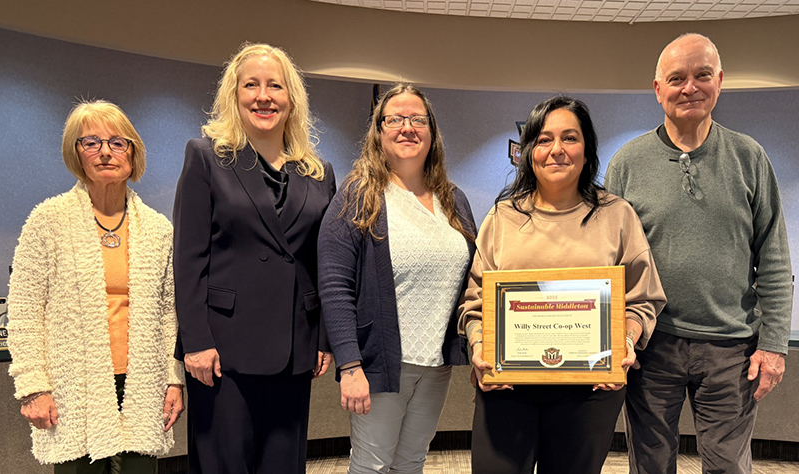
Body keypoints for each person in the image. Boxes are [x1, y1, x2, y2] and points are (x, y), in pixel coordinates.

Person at [605, 33, 793, 474]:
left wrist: (774, 345)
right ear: (657, 89)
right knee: (650, 465)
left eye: (702, 75)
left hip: (732, 349)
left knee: (728, 466)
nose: (690, 87)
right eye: (677, 78)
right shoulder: (626, 164)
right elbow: (607, 261)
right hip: (652, 345)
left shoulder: (749, 157)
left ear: (720, 81)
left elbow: (774, 258)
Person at [460, 96, 667, 474]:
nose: (556, 150)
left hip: (590, 394)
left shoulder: (616, 215)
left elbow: (642, 298)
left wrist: (624, 341)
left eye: (569, 138)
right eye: (543, 139)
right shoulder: (503, 216)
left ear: (586, 150)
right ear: (528, 152)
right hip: (506, 390)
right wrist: (477, 345)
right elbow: (475, 303)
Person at [173, 43, 336, 474]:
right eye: (252, 85)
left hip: (293, 347)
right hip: (223, 351)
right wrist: (196, 342)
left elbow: (324, 263)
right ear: (235, 95)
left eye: (275, 86)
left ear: (291, 98)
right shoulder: (207, 157)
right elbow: (188, 259)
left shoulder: (318, 172)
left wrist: (322, 339)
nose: (264, 96)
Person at [7, 99, 184, 472]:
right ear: (77, 154)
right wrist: (34, 386)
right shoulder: (48, 221)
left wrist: (173, 378)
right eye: (91, 142)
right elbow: (24, 311)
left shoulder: (157, 229)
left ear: (133, 154)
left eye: (117, 142)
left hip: (142, 384)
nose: (105, 152)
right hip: (74, 388)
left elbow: (170, 313)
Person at [318, 83, 476, 473]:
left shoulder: (454, 200)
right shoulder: (359, 195)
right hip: (381, 363)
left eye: (417, 119)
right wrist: (350, 366)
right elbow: (335, 287)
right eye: (395, 119)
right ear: (378, 131)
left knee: (411, 461)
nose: (407, 127)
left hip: (435, 363)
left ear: (432, 131)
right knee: (372, 464)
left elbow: (474, 280)